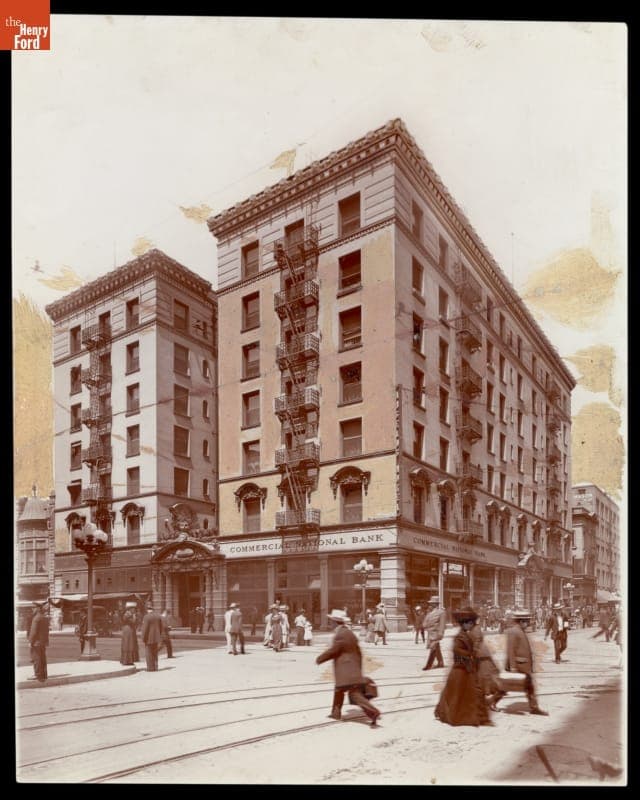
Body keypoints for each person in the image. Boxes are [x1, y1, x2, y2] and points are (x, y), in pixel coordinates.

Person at [316, 609, 381, 727]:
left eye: (331, 621)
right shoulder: (349, 633)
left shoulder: (341, 634)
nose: (330, 623)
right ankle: (336, 713)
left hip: (346, 670)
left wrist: (320, 658)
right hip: (351, 669)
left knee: (355, 694)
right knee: (339, 690)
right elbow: (359, 652)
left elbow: (334, 650)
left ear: (335, 622)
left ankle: (373, 712)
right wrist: (358, 668)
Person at [434, 607, 491, 727]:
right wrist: (469, 656)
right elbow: (457, 650)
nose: (471, 625)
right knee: (458, 695)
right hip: (460, 669)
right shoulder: (459, 637)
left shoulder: (465, 634)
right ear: (464, 624)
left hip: (464, 668)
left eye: (471, 623)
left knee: (460, 694)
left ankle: (476, 717)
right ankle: (456, 716)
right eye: (469, 623)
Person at [498, 609, 548, 715]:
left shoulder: (520, 630)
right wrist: (513, 668)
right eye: (526, 621)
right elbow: (510, 650)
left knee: (528, 686)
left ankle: (534, 707)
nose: (528, 624)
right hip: (519, 665)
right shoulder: (513, 631)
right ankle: (493, 701)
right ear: (521, 621)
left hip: (523, 664)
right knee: (507, 685)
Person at [468, 619, 504, 711]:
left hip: (482, 657)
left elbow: (476, 642)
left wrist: (472, 654)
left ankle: (491, 703)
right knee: (484, 681)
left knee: (490, 681)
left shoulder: (475, 629)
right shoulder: (474, 629)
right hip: (482, 657)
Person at [422, 596, 446, 670]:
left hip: (436, 634)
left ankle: (428, 665)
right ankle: (440, 663)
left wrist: (440, 634)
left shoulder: (441, 612)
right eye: (430, 603)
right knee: (436, 649)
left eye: (432, 603)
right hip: (430, 634)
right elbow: (424, 624)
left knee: (433, 649)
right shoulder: (429, 613)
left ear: (436, 604)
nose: (430, 605)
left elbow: (442, 624)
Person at [29, 602, 49, 682]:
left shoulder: (36, 618)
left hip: (36, 642)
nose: (32, 609)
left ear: (38, 608)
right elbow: (46, 631)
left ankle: (37, 675)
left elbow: (33, 632)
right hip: (42, 642)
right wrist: (46, 641)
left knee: (36, 658)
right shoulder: (44, 617)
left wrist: (30, 641)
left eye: (33, 607)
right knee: (43, 658)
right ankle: (44, 674)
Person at [141, 603, 163, 672]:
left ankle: (150, 668)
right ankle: (156, 667)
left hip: (149, 638)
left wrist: (143, 637)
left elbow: (145, 629)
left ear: (147, 609)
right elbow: (161, 627)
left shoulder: (146, 617)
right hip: (156, 638)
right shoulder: (158, 616)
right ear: (152, 609)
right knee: (155, 653)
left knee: (148, 653)